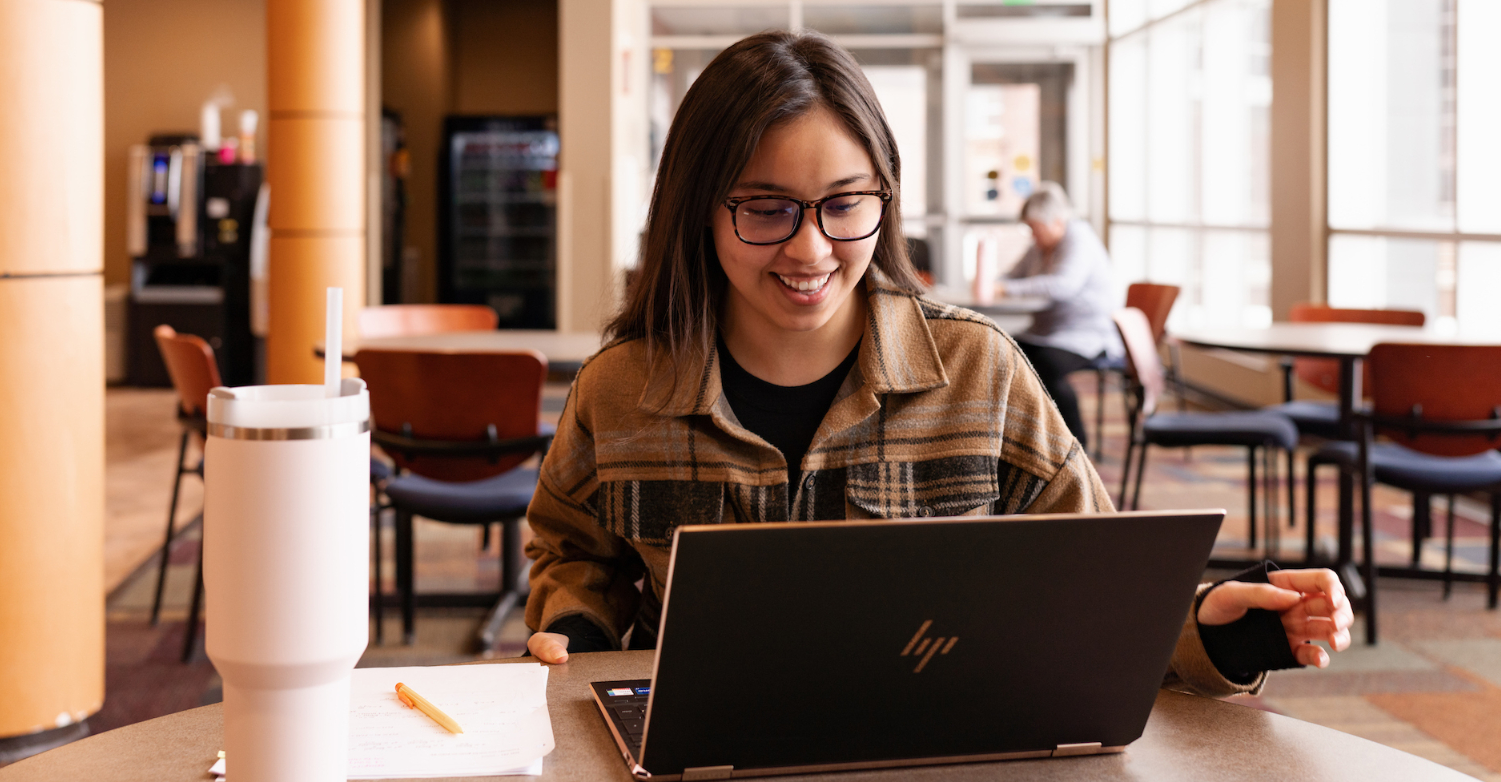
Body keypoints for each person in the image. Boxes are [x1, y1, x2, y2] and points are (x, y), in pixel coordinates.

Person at [522, 31, 1350, 697]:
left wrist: (1216, 625)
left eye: (847, 204)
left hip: (936, 749)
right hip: (693, 756)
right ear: (697, 208)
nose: (811, 247)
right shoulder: (623, 388)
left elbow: (1100, 582)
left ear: (886, 199)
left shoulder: (979, 372)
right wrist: (577, 630)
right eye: (767, 208)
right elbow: (576, 557)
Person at [1000, 182, 1119, 448]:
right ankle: (1025, 439)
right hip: (1048, 333)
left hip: (1086, 336)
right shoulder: (1040, 247)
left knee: (1045, 367)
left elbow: (1063, 286)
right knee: (1002, 350)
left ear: (1055, 221)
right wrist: (994, 282)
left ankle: (1076, 445)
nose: (1033, 234)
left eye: (1035, 228)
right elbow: (1012, 275)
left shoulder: (1079, 240)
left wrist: (1004, 288)